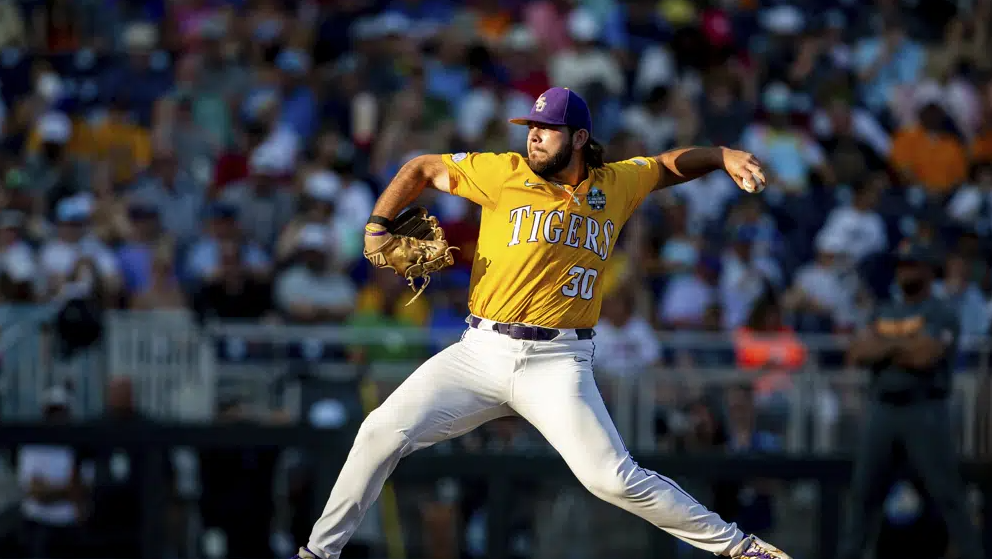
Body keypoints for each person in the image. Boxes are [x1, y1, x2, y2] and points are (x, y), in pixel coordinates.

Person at [291, 87, 789, 559]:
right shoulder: (502, 172)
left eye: (547, 128)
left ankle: (737, 546)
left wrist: (722, 155)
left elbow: (664, 167)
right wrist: (378, 223)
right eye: (531, 125)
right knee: (380, 431)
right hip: (479, 351)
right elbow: (420, 167)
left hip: (558, 362)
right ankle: (319, 551)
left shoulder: (614, 183)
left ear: (577, 138)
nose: (533, 135)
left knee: (610, 479)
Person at [840, 241, 985, 559]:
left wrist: (886, 343)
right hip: (883, 409)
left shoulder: (941, 311)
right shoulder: (884, 309)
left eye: (911, 265)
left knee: (948, 496)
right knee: (864, 494)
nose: (904, 271)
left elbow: (926, 355)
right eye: (901, 265)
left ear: (927, 270)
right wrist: (904, 342)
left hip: (925, 409)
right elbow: (858, 351)